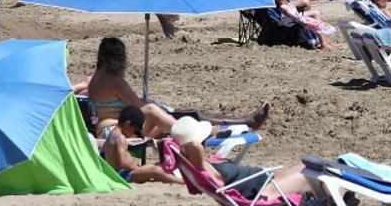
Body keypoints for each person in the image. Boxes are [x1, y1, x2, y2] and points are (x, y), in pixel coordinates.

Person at [78, 38, 270, 139]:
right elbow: (140, 109)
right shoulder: (114, 80)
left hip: (110, 130)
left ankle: (236, 123)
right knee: (171, 113)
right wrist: (157, 108)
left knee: (181, 115)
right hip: (118, 133)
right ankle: (197, 132)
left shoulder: (96, 78)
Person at [172, 115, 313, 201]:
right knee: (314, 177)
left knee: (309, 168)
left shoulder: (202, 161)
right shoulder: (200, 165)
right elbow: (195, 146)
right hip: (264, 191)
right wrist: (199, 137)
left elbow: (195, 147)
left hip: (267, 180)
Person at [103, 106, 181, 185]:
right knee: (154, 170)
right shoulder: (120, 138)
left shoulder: (112, 135)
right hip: (123, 175)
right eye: (134, 131)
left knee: (151, 168)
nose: (133, 134)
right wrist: (138, 169)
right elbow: (124, 163)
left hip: (119, 173)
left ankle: (174, 179)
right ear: (128, 124)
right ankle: (181, 182)